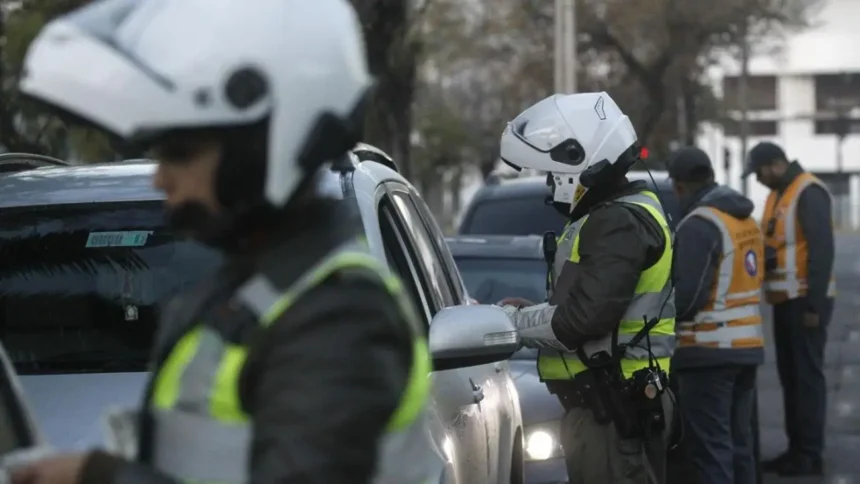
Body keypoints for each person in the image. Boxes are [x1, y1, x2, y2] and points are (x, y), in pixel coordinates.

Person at [10, 1, 442, 484]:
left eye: (180, 152)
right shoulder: (250, 291)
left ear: (260, 149)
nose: (161, 179)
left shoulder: (340, 316)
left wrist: (104, 477)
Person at [496, 92, 676, 484]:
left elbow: (584, 319)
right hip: (611, 402)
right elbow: (594, 304)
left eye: (551, 174)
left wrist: (511, 323)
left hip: (613, 407)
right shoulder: (622, 213)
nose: (549, 185)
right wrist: (536, 309)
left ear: (579, 163)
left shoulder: (616, 222)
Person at [668, 147, 765, 484]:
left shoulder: (699, 224)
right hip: (747, 346)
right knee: (740, 447)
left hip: (707, 351)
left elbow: (687, 298)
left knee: (710, 451)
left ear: (679, 187)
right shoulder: (745, 219)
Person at [744, 141, 836, 477]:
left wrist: (813, 305)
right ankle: (796, 449)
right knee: (791, 379)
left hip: (806, 302)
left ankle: (810, 454)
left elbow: (822, 251)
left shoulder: (807, 191)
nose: (758, 179)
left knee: (807, 380)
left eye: (759, 171)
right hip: (785, 301)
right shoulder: (778, 194)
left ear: (776, 164)